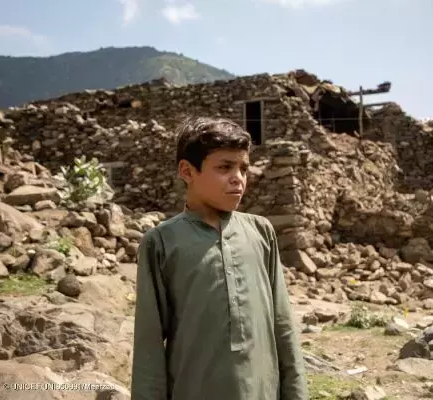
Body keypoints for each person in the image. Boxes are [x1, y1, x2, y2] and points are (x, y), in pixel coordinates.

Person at [130, 116, 308, 400]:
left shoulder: (261, 232)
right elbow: (148, 345)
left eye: (243, 168)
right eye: (225, 167)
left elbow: (283, 325)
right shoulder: (161, 242)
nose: (238, 178)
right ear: (187, 171)